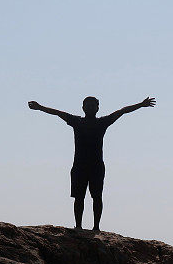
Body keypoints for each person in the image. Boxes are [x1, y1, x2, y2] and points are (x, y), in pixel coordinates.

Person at [28, 96, 155, 231]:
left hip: (96, 166)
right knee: (79, 197)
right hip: (79, 166)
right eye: (87, 105)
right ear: (83, 108)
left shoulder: (102, 122)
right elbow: (58, 113)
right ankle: (78, 226)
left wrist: (141, 105)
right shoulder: (76, 121)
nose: (90, 108)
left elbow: (122, 111)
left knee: (97, 197)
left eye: (93, 106)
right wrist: (40, 107)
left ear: (97, 108)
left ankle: (96, 227)